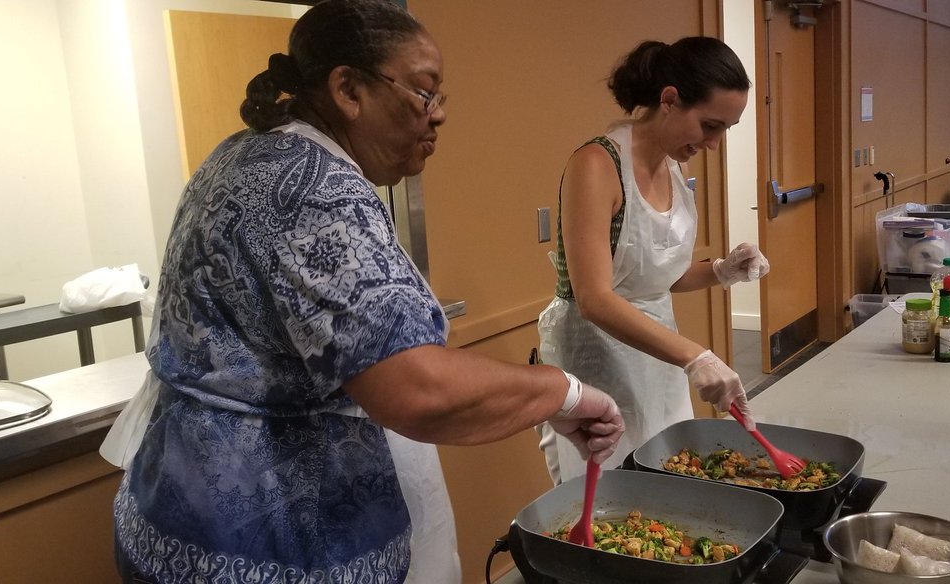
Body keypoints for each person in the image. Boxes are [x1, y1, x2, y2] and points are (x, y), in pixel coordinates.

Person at [99, 2, 624, 583]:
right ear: (348, 89)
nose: (439, 115)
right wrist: (565, 391)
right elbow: (415, 388)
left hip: (171, 515)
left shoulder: (242, 153)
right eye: (425, 93)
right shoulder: (316, 190)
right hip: (264, 544)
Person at [536, 37, 768, 484]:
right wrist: (695, 356)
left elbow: (656, 276)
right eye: (709, 125)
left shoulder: (674, 169)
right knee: (613, 497)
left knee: (668, 476)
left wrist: (721, 270)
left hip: (659, 357)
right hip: (596, 356)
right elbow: (595, 299)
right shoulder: (597, 165)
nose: (715, 143)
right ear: (669, 100)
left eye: (725, 130)